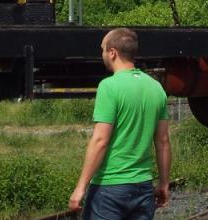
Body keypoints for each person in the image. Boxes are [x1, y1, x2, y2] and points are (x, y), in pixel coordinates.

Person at [69, 28, 171, 219]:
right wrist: (164, 183)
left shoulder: (109, 87)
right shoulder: (156, 87)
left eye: (103, 50)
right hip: (143, 186)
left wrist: (80, 187)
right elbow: (163, 141)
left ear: (112, 52)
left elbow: (100, 141)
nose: (102, 55)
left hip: (110, 188)